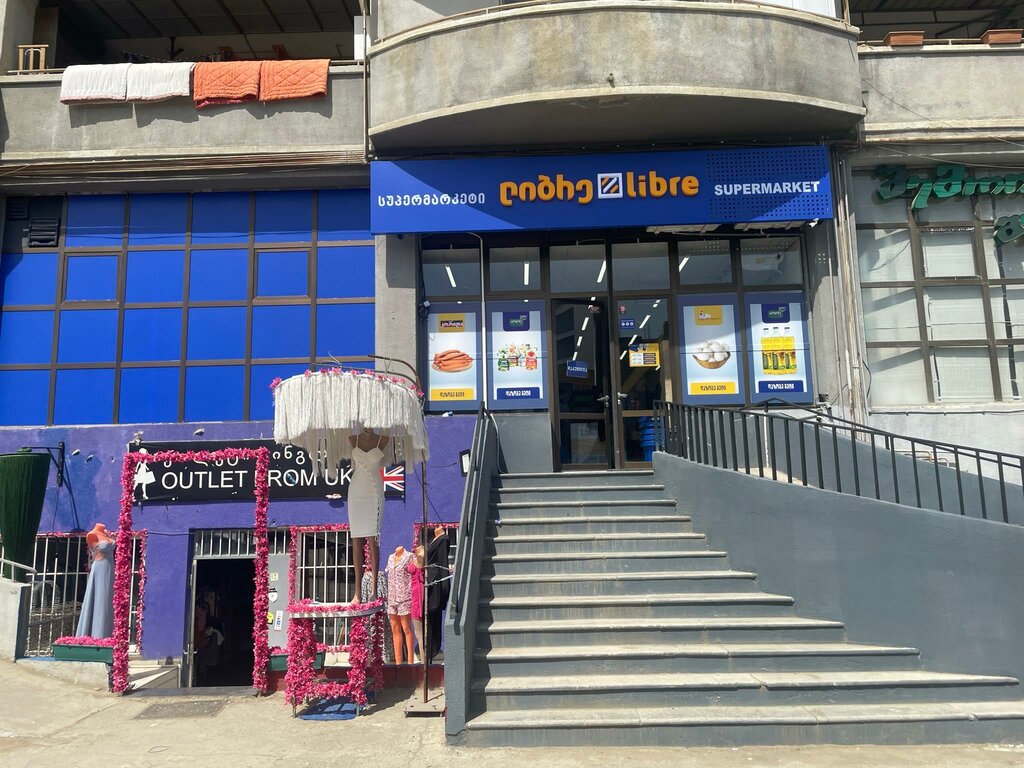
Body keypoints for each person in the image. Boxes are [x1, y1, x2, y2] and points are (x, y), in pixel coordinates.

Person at [346, 428, 389, 602]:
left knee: (373, 539)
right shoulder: (353, 439)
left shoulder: (383, 439)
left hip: (374, 492)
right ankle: (357, 592)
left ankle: (374, 590)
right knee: (356, 539)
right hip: (356, 491)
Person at [75, 523, 115, 638]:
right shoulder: (92, 535)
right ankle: (98, 634)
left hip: (110, 569)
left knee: (108, 599)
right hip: (100, 568)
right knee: (100, 598)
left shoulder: (106, 534)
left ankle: (108, 634)